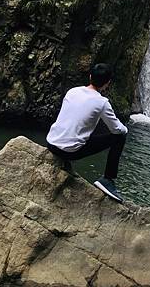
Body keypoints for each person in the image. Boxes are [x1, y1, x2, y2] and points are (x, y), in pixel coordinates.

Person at [46, 63, 128, 202]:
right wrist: (126, 129)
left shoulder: (73, 91)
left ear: (90, 76)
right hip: (68, 152)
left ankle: (64, 162)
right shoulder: (101, 102)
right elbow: (116, 129)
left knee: (78, 126)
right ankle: (107, 179)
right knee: (120, 136)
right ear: (107, 83)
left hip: (51, 143)